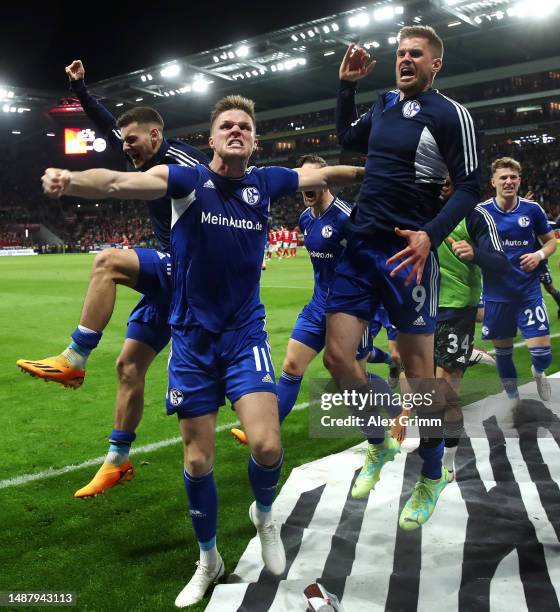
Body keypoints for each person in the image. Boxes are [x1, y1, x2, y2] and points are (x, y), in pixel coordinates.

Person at [41, 94, 364, 607]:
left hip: (244, 338)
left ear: (254, 140)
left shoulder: (266, 181)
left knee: (267, 446)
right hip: (191, 341)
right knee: (198, 462)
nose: (236, 130)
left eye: (244, 126)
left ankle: (263, 514)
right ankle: (208, 559)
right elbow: (121, 182)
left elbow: (330, 176)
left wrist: (387, 170)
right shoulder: (187, 181)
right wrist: (71, 180)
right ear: (211, 139)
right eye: (226, 125)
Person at [17, 59, 209, 498]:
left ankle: (76, 357)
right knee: (128, 366)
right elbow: (110, 125)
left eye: (133, 140)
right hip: (170, 273)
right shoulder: (145, 152)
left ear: (155, 135)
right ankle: (118, 460)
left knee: (108, 261)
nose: (127, 148)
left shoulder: (181, 161)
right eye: (124, 142)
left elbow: (224, 191)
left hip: (191, 269)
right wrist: (82, 90)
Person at [324, 25, 481, 530]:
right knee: (337, 357)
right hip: (360, 247)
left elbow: (471, 185)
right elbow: (349, 139)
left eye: (416, 54)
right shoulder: (385, 103)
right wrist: (346, 87)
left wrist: (429, 236)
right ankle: (380, 442)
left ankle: (432, 475)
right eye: (400, 53)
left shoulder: (450, 114)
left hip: (406, 255)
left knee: (420, 383)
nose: (405, 60)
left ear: (436, 65)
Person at [230, 154, 373, 449]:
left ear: (327, 180)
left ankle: (376, 437)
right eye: (302, 180)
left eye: (312, 180)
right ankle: (269, 433)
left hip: (349, 308)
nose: (306, 186)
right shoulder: (306, 219)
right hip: (318, 305)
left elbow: (370, 264)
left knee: (355, 375)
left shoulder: (348, 217)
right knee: (292, 365)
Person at [435, 181, 510, 478]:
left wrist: (476, 253)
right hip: (418, 310)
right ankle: (471, 354)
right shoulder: (420, 208)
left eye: (448, 179)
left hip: (455, 310)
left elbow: (501, 263)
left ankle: (447, 461)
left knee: (446, 393)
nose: (441, 184)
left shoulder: (476, 216)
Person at [478, 157, 556, 419]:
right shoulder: (481, 212)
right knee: (504, 353)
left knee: (542, 353)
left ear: (520, 180)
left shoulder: (532, 210)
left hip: (527, 292)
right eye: (503, 177)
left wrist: (539, 256)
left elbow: (550, 242)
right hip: (496, 295)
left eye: (513, 177)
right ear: (493, 182)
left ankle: (538, 371)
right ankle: (513, 400)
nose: (509, 181)